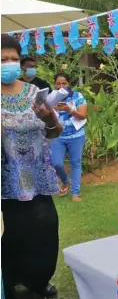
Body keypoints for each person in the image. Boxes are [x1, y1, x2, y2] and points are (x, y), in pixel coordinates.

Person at [2, 34, 64, 299]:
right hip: (6, 179)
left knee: (47, 227)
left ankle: (40, 280)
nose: (10, 63)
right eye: (3, 59)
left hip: (39, 175)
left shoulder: (33, 92)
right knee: (14, 233)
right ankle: (16, 282)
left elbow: (54, 132)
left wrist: (49, 117)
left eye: (14, 58)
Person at [50, 72, 88, 201]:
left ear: (69, 83)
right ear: (55, 84)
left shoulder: (77, 96)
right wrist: (51, 109)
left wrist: (69, 110)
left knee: (75, 163)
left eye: (64, 83)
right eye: (58, 83)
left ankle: (75, 193)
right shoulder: (51, 98)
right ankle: (66, 181)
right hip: (57, 136)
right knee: (56, 162)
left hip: (76, 135)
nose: (61, 86)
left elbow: (83, 115)